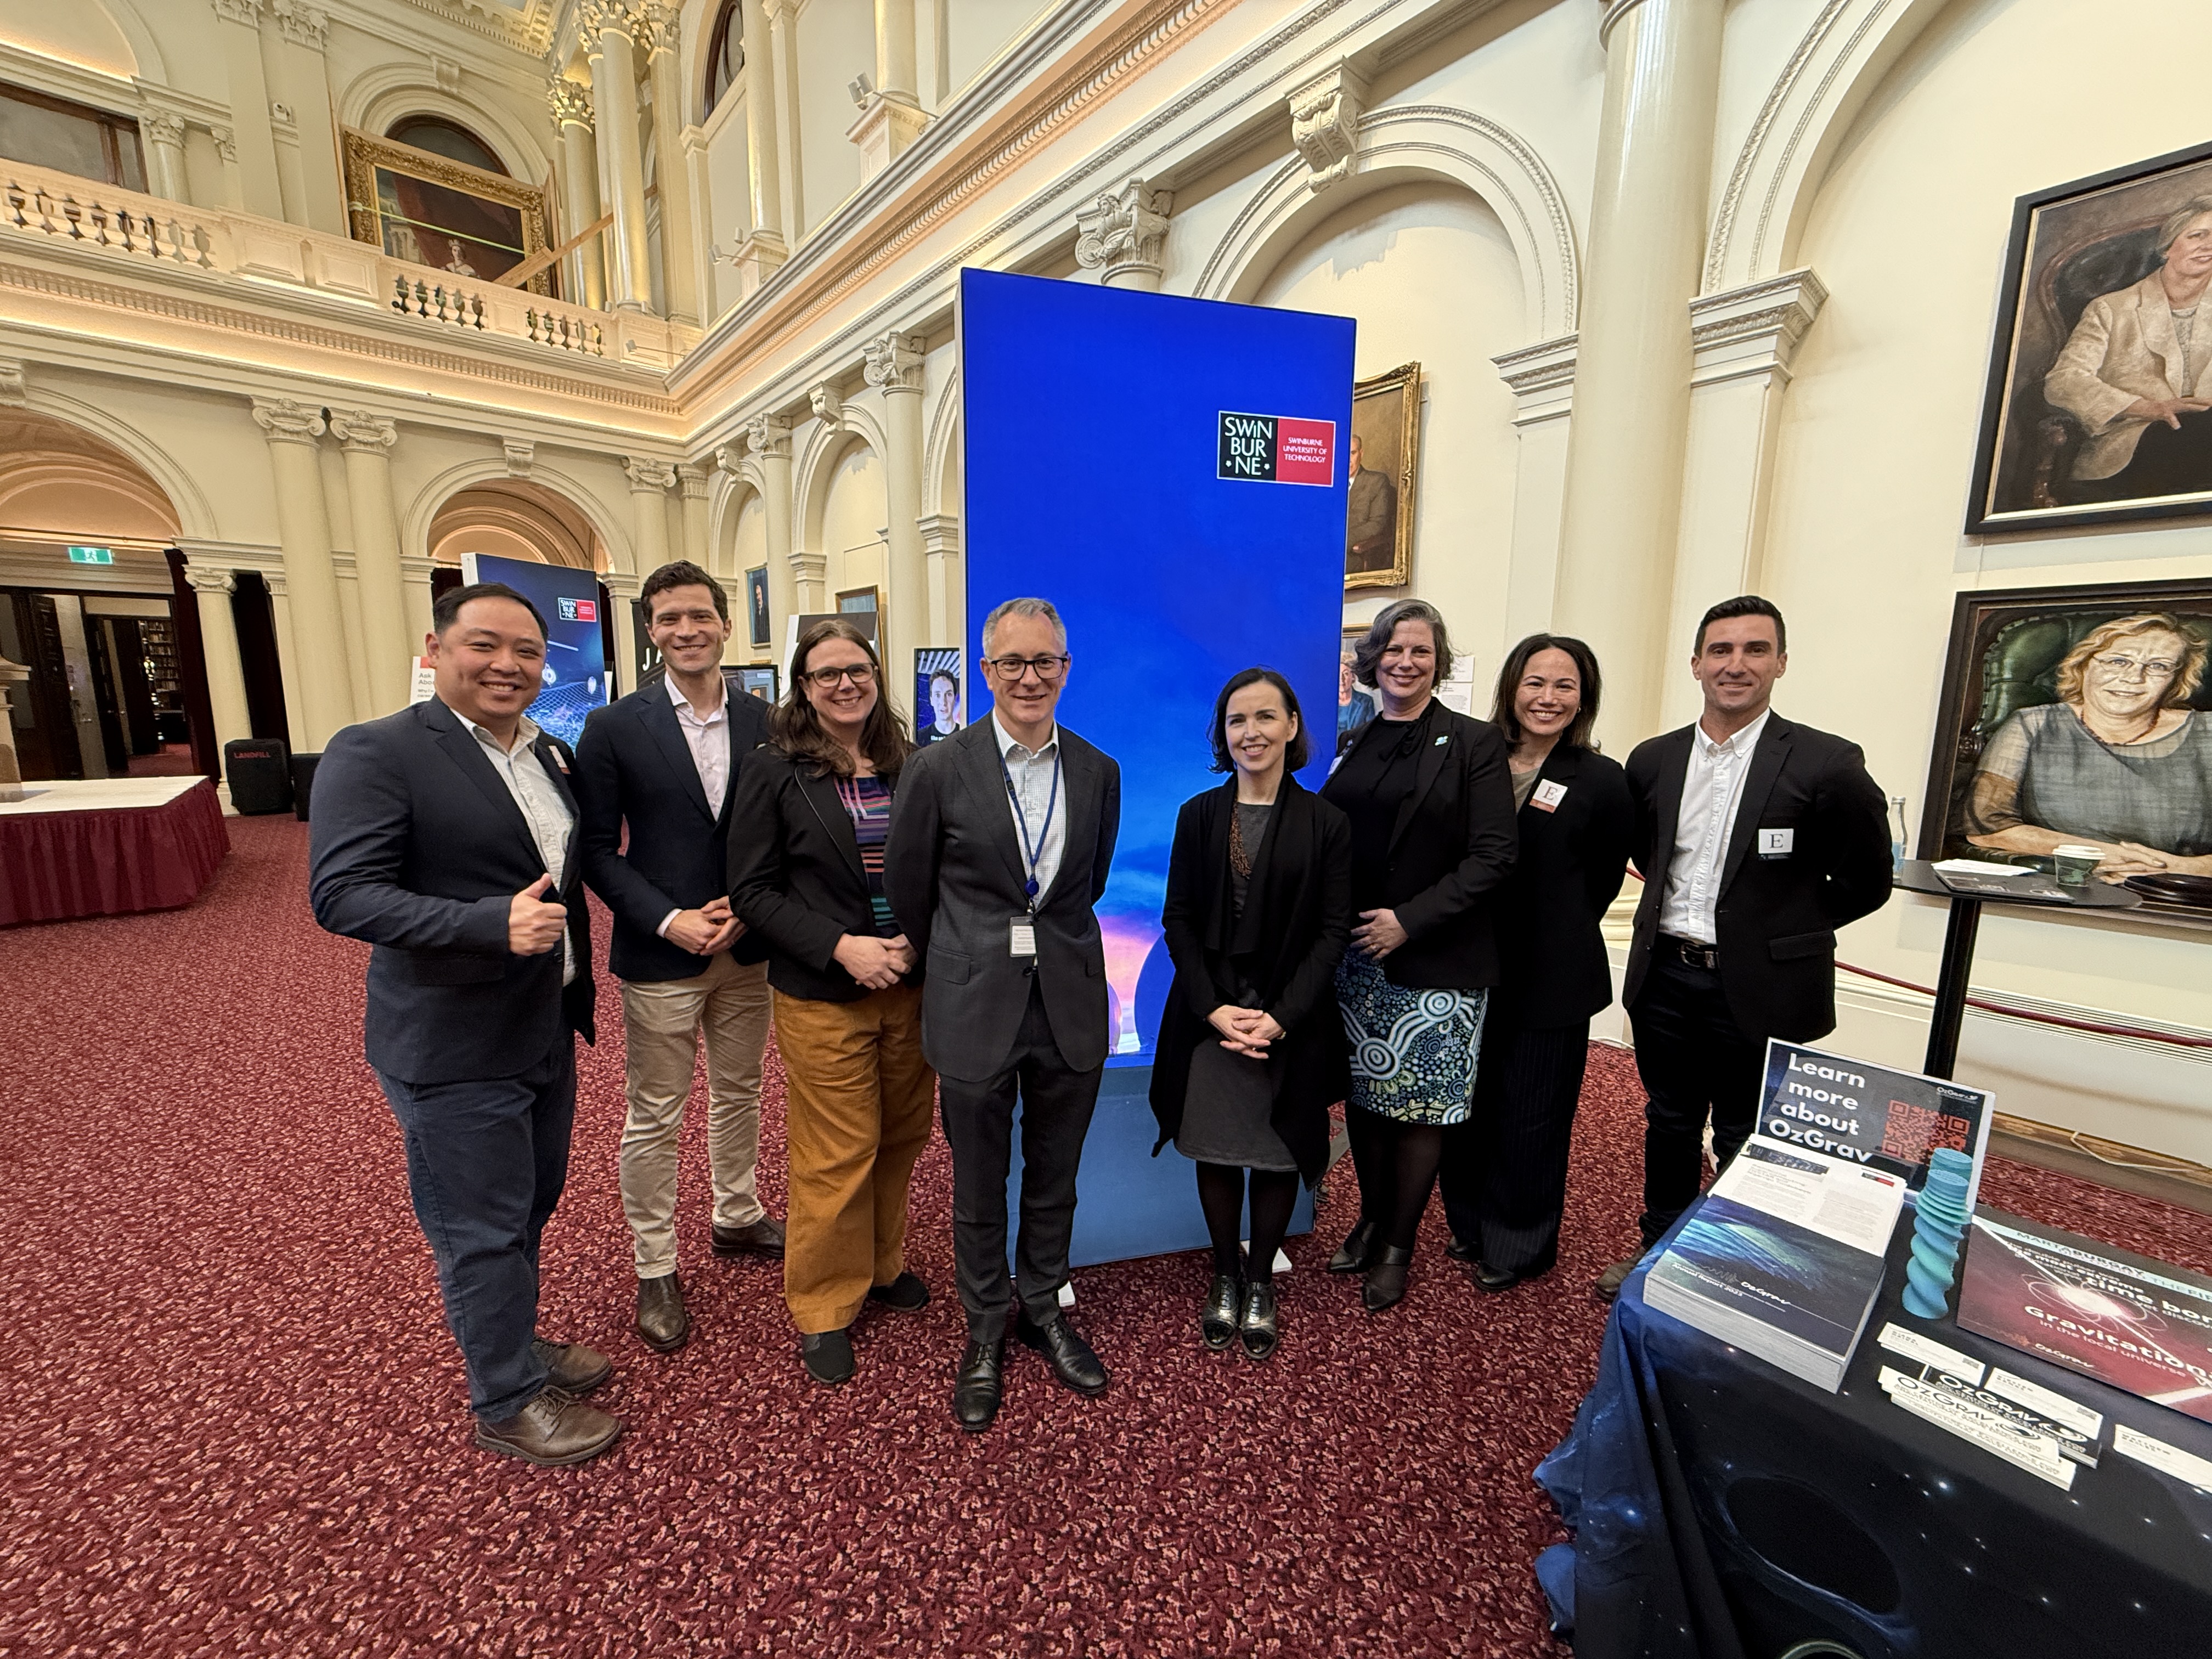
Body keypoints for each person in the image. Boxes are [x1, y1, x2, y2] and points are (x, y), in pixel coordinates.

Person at [308, 583, 617, 1466]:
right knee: (479, 1227)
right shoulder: (378, 751)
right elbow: (342, 894)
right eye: (485, 645)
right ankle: (506, 1398)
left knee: (530, 1204)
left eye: (528, 652)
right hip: (451, 1041)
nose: (508, 665)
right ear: (435, 649)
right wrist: (488, 923)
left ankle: (513, 1341)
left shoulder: (548, 753)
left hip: (543, 1022)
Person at [1596, 595, 1893, 1300]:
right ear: (1696, 664)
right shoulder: (1654, 760)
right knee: (1669, 1121)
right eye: (1721, 650)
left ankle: (1735, 1267)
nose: (1736, 665)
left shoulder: (1827, 762)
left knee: (1745, 1131)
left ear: (1781, 663)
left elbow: (1867, 879)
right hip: (1667, 975)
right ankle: (1660, 1245)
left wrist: (1787, 934)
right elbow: (1647, 854)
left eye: (1755, 650)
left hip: (1763, 986)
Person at [884, 596, 1121, 1431]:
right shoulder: (936, 768)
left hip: (1069, 1004)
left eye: (1044, 661)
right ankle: (984, 1326)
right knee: (980, 1183)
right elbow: (909, 888)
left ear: (1066, 669)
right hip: (973, 1003)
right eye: (1012, 662)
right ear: (985, 671)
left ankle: (1044, 1308)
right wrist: (965, 955)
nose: (1029, 677)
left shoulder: (1097, 770)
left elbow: (1087, 884)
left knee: (1057, 1176)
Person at [575, 560, 783, 1359]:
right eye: (669, 619)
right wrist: (669, 920)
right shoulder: (613, 727)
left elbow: (781, 832)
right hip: (662, 951)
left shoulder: (768, 719)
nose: (686, 631)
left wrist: (748, 907)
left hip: (748, 945)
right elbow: (597, 850)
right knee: (656, 1112)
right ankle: (655, 1265)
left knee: (742, 1090)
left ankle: (737, 1215)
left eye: (699, 616)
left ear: (727, 624)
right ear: (651, 631)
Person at [726, 618, 936, 1385]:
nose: (846, 685)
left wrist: (914, 941)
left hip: (910, 983)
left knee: (902, 1137)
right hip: (825, 991)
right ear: (804, 688)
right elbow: (752, 891)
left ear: (876, 676)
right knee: (838, 1150)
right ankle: (823, 1303)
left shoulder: (913, 762)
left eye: (858, 670)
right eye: (827, 674)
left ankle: (881, 1266)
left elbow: (942, 867)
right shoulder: (773, 770)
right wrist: (842, 947)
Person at [1319, 599, 1517, 1312]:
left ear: (1439, 663)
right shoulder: (1357, 736)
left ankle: (1398, 1246)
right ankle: (1371, 1221)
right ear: (1373, 660)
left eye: (1422, 652)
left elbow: (1495, 855)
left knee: (1420, 1111)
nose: (1406, 662)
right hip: (1357, 961)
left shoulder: (1473, 743)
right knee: (1368, 1103)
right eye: (1395, 650)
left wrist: (1409, 922)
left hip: (1437, 959)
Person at [1150, 668, 1351, 1359]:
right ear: (1223, 733)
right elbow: (1177, 920)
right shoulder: (1198, 815)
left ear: (1292, 726)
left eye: (1266, 717)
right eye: (1237, 720)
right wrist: (1214, 1009)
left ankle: (1260, 1279)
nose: (1251, 732)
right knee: (1214, 1149)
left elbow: (1332, 932)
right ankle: (1224, 1274)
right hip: (1211, 1017)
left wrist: (1281, 1017)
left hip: (1290, 1020)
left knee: (1274, 1154)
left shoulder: (1327, 824)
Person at [1436, 635, 1633, 1291]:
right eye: (1535, 683)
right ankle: (1469, 1223)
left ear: (1584, 698)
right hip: (1467, 965)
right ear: (1511, 689)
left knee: (1532, 1115)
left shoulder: (1602, 779)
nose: (1548, 698)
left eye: (1564, 686)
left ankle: (1518, 1243)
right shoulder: (1475, 758)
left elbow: (1602, 879)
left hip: (1552, 974)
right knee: (1466, 1107)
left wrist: (1554, 924)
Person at [1966, 612, 2212, 876]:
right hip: (2061, 882)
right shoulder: (2032, 725)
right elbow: (1987, 827)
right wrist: (2103, 856)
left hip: (2180, 891)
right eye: (2118, 661)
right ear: (2083, 665)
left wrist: (2174, 868)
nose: (2134, 678)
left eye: (2159, 667)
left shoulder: (2208, 732)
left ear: (2178, 678)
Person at [2044, 197, 2212, 504]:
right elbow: (2064, 381)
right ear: (2167, 247)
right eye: (2197, 235)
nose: (2209, 245)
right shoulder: (2111, 309)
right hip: (2136, 442)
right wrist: (2147, 407)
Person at [1345, 433, 1398, 575]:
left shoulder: (1376, 482)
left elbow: (1377, 524)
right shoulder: (1328, 484)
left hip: (1352, 554)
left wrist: (1342, 539)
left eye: (1352, 453)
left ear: (1361, 454)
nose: (1347, 459)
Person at [1336, 647, 1375, 757]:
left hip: (1357, 754)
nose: (1342, 679)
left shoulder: (1366, 702)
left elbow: (1371, 734)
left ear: (1353, 677)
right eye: (1338, 674)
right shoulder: (1326, 704)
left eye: (1346, 674)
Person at [917, 669, 963, 744]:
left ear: (955, 698)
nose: (943, 702)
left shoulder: (965, 735)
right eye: (938, 695)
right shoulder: (920, 738)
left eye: (948, 694)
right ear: (931, 700)